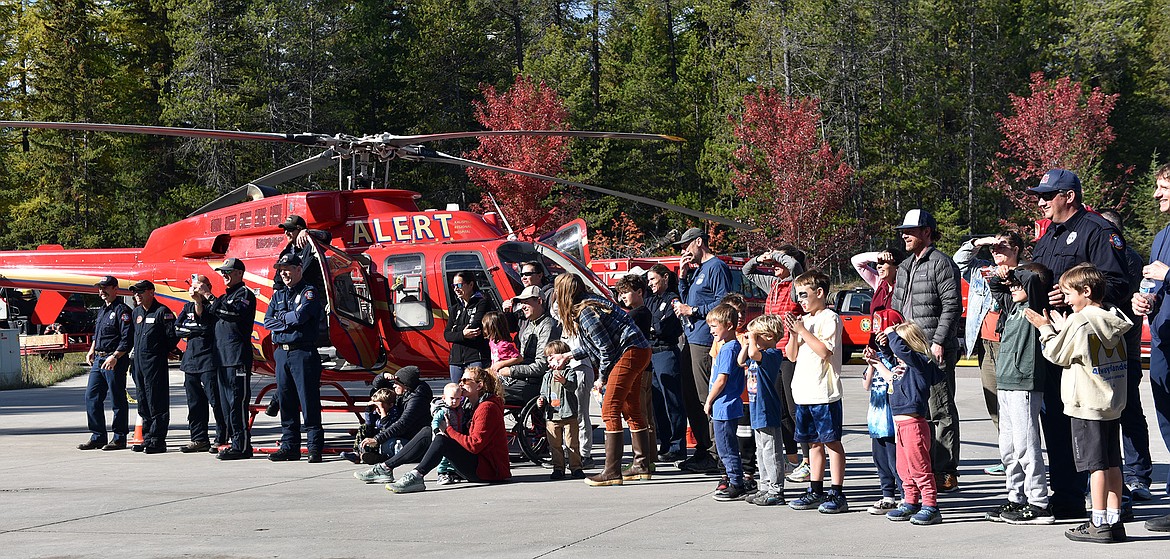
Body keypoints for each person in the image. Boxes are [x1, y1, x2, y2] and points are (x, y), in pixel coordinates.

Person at [1029, 169, 1130, 519]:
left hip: (1089, 353)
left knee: (1097, 434)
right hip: (1057, 344)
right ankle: (1068, 496)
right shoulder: (1048, 236)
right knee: (1056, 421)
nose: (1040, 201)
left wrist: (1076, 298)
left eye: (1047, 195)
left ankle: (1108, 504)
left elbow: (1117, 285)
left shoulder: (1098, 231)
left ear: (1068, 196)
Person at [1026, 263, 1132, 543]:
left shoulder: (1080, 321)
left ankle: (1097, 521)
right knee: (1112, 464)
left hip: (1087, 404)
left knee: (1095, 465)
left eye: (1069, 294)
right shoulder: (1111, 316)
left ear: (1085, 291)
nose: (1067, 299)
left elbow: (1057, 354)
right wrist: (1065, 328)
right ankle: (1113, 518)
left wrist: (1047, 329)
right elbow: (1084, 343)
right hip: (1110, 403)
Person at [547, 273, 652, 486]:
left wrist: (602, 378)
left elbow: (605, 349)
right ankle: (642, 464)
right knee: (631, 407)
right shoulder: (590, 302)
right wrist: (567, 355)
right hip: (638, 349)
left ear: (564, 293)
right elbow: (595, 343)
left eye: (557, 292)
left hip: (629, 351)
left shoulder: (585, 311)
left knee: (610, 409)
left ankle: (612, 471)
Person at [890, 209, 963, 492]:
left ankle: (945, 472)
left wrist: (939, 341)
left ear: (927, 232)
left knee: (940, 410)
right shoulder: (906, 265)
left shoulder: (942, 264)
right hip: (907, 351)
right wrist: (892, 339)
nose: (904, 236)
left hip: (934, 349)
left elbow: (952, 307)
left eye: (910, 230)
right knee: (914, 414)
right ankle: (920, 472)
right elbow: (896, 310)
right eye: (903, 231)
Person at [984, 263, 1055, 525]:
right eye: (1011, 285)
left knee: (1026, 446)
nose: (1013, 287)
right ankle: (1016, 497)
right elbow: (994, 285)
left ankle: (1039, 502)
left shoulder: (1034, 307)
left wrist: (1014, 273)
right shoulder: (1012, 308)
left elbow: (1033, 282)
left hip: (1024, 384)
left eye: (1017, 284)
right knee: (1008, 447)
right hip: (1005, 383)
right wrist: (1003, 277)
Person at [954, 231, 1026, 476]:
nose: (996, 251)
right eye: (993, 248)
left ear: (1016, 249)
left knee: (1015, 405)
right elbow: (959, 260)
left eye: (1002, 246)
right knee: (994, 402)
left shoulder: (1027, 273)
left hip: (1011, 344)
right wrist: (979, 243)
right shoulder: (980, 270)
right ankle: (1006, 456)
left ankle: (1021, 457)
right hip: (985, 344)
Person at [1099, 208, 1155, 501]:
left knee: (1129, 414)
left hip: (1125, 352)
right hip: (1101, 354)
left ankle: (1137, 476)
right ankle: (1114, 477)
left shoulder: (1127, 259)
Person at [383, 366, 511, 493]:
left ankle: (417, 475)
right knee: (428, 431)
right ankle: (386, 467)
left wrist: (448, 429)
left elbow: (475, 445)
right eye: (460, 380)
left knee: (442, 440)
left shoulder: (487, 408)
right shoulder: (469, 405)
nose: (460, 384)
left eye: (465, 381)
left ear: (479, 385)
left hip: (488, 471)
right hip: (477, 463)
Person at [783, 270, 847, 514]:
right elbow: (791, 355)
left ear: (819, 293)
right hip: (804, 392)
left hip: (824, 392)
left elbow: (824, 351)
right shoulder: (805, 322)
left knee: (831, 443)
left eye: (804, 294)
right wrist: (793, 333)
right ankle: (815, 489)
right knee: (813, 445)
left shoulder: (829, 318)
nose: (800, 300)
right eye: (798, 295)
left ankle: (837, 492)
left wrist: (802, 331)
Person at [1131, 163, 1170, 533]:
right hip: (1162, 342)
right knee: (1168, 423)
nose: (1157, 194)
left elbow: (1164, 277)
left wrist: (1167, 275)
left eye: (1163, 186)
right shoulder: (1162, 236)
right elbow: (1154, 288)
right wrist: (1144, 301)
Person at [674, 227, 731, 474]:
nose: (684, 251)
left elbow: (724, 302)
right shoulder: (698, 271)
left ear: (700, 242)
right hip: (690, 337)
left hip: (705, 339)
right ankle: (703, 448)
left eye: (687, 245)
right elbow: (688, 299)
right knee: (690, 397)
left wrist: (694, 312)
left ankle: (716, 452)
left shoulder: (716, 267)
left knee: (704, 396)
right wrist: (683, 276)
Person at [263, 253, 325, 463]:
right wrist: (286, 320)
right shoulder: (278, 295)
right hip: (282, 353)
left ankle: (314, 447)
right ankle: (290, 446)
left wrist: (283, 319)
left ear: (299, 269)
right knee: (286, 400)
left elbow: (300, 317)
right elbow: (267, 321)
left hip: (303, 352)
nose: (284, 273)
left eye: (288, 269)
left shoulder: (309, 293)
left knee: (308, 401)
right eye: (281, 270)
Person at [882, 322, 944, 526]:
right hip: (900, 427)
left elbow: (901, 350)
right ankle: (911, 501)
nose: (895, 351)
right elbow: (894, 357)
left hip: (914, 426)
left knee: (920, 468)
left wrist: (892, 334)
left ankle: (931, 505)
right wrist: (883, 346)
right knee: (903, 469)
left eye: (899, 344)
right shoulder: (903, 366)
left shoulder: (918, 364)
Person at [208, 258, 258, 460]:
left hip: (237, 357)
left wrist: (209, 297)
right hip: (222, 358)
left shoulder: (244, 294)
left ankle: (242, 446)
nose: (225, 275)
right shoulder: (224, 296)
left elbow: (232, 313)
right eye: (223, 272)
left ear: (239, 273)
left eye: (228, 271)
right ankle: (234, 442)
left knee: (237, 402)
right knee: (226, 404)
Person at [78, 276, 134, 451]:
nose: (101, 292)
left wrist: (115, 356)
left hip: (114, 359)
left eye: (105, 288)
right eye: (100, 289)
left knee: (117, 398)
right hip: (99, 359)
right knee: (91, 396)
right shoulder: (102, 310)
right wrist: (91, 349)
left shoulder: (122, 310)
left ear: (115, 289)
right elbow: (98, 333)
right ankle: (98, 436)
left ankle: (119, 438)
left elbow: (127, 338)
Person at [353, 366, 435, 481]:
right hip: (404, 435)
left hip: (414, 440)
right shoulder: (404, 393)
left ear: (405, 385)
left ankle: (384, 461)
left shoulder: (417, 400)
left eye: (397, 383)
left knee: (390, 444)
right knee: (368, 431)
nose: (394, 386)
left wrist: (377, 439)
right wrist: (383, 376)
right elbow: (376, 387)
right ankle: (364, 454)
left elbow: (402, 424)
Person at [739, 314, 787, 506]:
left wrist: (751, 341)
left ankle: (776, 489)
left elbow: (752, 355)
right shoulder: (755, 355)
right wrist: (746, 342)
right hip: (757, 409)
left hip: (767, 409)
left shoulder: (772, 355)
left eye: (756, 336)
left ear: (768, 336)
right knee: (761, 450)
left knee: (771, 451)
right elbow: (741, 360)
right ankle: (765, 486)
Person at [860, 309, 905, 515]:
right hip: (876, 419)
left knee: (895, 460)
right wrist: (871, 363)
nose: (880, 343)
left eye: (884, 337)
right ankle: (888, 495)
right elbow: (866, 385)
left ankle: (906, 496)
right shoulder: (877, 358)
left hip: (892, 419)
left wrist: (880, 361)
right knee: (879, 460)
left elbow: (893, 379)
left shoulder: (898, 360)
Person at [175, 274, 225, 453]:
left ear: (207, 288)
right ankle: (199, 438)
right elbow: (178, 329)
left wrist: (193, 327)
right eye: (194, 286)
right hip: (190, 362)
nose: (195, 290)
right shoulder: (186, 306)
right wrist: (195, 328)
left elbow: (207, 327)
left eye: (200, 287)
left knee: (216, 401)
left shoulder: (214, 306)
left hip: (209, 361)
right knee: (194, 403)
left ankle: (222, 437)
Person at [128, 280, 178, 454]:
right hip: (139, 364)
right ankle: (147, 437)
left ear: (151, 292)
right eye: (135, 293)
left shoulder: (162, 312)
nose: (137, 295)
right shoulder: (136, 313)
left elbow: (172, 336)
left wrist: (162, 351)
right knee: (143, 401)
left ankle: (157, 439)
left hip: (155, 363)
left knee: (156, 400)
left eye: (140, 292)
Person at [645, 264, 688, 462]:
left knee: (672, 401)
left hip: (666, 353)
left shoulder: (672, 299)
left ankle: (677, 446)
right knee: (657, 403)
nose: (650, 283)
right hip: (651, 354)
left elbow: (663, 326)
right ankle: (665, 443)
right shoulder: (650, 299)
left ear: (665, 278)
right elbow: (648, 324)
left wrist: (653, 328)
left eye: (653, 279)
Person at [703, 304, 745, 500]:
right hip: (727, 405)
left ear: (728, 325)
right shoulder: (731, 346)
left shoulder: (728, 349)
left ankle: (736, 482)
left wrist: (709, 400)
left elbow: (721, 379)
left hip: (723, 405)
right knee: (726, 445)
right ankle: (732, 477)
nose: (711, 331)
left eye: (714, 326)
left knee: (726, 447)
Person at [615, 273, 658, 466]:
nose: (622, 296)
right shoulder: (640, 312)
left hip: (639, 369)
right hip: (646, 367)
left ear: (639, 292)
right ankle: (649, 457)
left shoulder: (637, 314)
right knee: (645, 412)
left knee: (638, 412)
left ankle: (643, 459)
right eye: (620, 293)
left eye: (626, 292)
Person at [498, 285, 557, 406]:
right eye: (521, 303)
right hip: (525, 379)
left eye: (526, 302)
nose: (522, 306)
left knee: (489, 391)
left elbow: (541, 366)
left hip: (537, 384)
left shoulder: (548, 326)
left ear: (539, 301)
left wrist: (511, 370)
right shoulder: (530, 325)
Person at [539, 340, 584, 480]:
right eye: (548, 357)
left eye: (552, 357)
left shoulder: (569, 372)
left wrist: (564, 381)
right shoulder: (547, 376)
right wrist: (540, 400)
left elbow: (572, 387)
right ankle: (558, 468)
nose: (549, 360)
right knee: (555, 445)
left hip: (568, 414)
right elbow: (543, 393)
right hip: (552, 416)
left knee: (572, 444)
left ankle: (576, 467)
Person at [443, 271, 491, 383]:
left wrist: (455, 331)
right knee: (457, 392)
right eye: (453, 286)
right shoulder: (454, 309)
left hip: (476, 357)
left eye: (459, 285)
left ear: (470, 284)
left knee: (476, 391)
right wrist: (462, 334)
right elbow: (447, 335)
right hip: (456, 360)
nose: (455, 289)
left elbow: (475, 327)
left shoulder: (482, 303)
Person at [341, 386, 399, 465]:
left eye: (380, 406)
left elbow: (387, 428)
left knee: (382, 433)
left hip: (385, 438)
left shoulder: (394, 413)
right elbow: (369, 424)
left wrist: (382, 411)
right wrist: (369, 411)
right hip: (376, 436)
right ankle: (358, 453)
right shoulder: (375, 412)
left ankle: (375, 456)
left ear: (390, 405)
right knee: (363, 427)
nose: (377, 409)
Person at [431, 383, 469, 485]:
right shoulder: (443, 411)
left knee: (454, 456)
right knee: (444, 458)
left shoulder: (460, 410)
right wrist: (437, 432)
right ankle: (442, 473)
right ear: (444, 398)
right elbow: (435, 422)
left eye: (457, 399)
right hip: (445, 437)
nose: (454, 401)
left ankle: (452, 472)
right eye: (452, 398)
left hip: (456, 437)